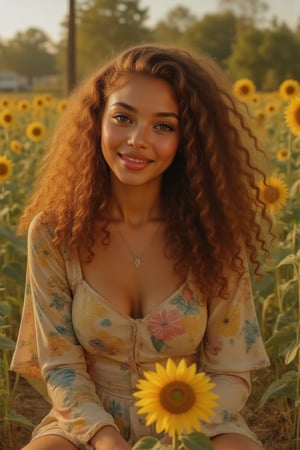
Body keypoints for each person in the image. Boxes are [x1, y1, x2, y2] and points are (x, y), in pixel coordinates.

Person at [11, 44, 272, 450]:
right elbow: (60, 365)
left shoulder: (215, 234)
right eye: (123, 118)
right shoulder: (55, 232)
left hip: (198, 423)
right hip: (86, 423)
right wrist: (106, 438)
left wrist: (182, 434)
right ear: (96, 121)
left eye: (163, 126)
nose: (137, 140)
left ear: (189, 140)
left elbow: (231, 371)